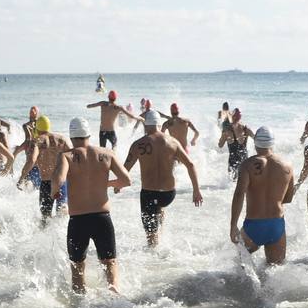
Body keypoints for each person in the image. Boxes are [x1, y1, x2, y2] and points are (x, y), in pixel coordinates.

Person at [53, 117, 132, 293]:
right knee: (110, 264)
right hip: (102, 219)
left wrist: (54, 191)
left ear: (72, 136)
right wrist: (107, 184)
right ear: (88, 134)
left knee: (77, 268)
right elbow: (126, 180)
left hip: (78, 221)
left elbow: (59, 179)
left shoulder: (67, 156)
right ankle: (115, 302)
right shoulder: (106, 154)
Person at [122, 109, 203, 247]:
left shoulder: (138, 144)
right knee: (159, 205)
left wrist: (119, 185)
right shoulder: (173, 142)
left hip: (148, 193)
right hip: (168, 195)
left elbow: (125, 170)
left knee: (150, 235)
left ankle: (154, 251)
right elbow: (190, 164)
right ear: (159, 125)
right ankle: (162, 230)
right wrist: (196, 190)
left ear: (146, 125)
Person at [230, 126, 295, 265]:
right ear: (272, 143)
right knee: (276, 273)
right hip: (276, 225)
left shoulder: (247, 165)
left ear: (255, 143)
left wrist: (233, 225)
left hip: (253, 225)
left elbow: (239, 194)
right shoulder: (287, 166)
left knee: (242, 269)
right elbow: (288, 198)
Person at [19, 116, 71, 224]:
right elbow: (74, 157)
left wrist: (21, 178)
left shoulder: (37, 141)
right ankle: (62, 235)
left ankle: (46, 238)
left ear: (37, 128)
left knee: (45, 217)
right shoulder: (62, 139)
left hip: (46, 183)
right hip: (62, 182)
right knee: (62, 210)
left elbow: (32, 160)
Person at [218, 108, 255, 181]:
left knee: (232, 182)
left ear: (232, 117)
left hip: (233, 161)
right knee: (245, 182)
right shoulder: (246, 129)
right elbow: (257, 139)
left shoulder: (227, 131)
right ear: (240, 117)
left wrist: (222, 136)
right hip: (244, 160)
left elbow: (220, 145)